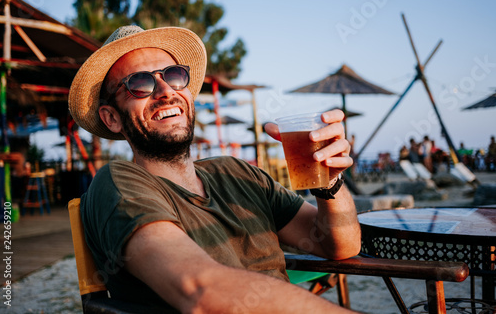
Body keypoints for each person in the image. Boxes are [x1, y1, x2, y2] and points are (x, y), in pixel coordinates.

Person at [68, 25, 360, 313]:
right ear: (111, 118)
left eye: (174, 75)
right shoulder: (119, 184)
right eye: (140, 83)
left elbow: (339, 246)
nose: (166, 91)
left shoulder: (236, 173)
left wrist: (329, 183)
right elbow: (201, 293)